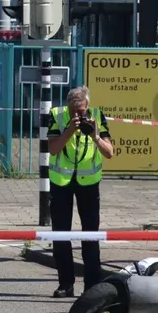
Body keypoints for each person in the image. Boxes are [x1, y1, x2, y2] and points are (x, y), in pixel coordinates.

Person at [47, 86, 114, 298]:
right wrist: (69, 130)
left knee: (90, 235)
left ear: (87, 105)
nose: (79, 115)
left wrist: (95, 135)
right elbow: (52, 148)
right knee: (61, 235)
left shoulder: (97, 116)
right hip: (61, 181)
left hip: (89, 182)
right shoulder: (57, 116)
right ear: (68, 105)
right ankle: (65, 284)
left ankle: (92, 285)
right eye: (75, 110)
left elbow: (110, 153)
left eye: (82, 110)